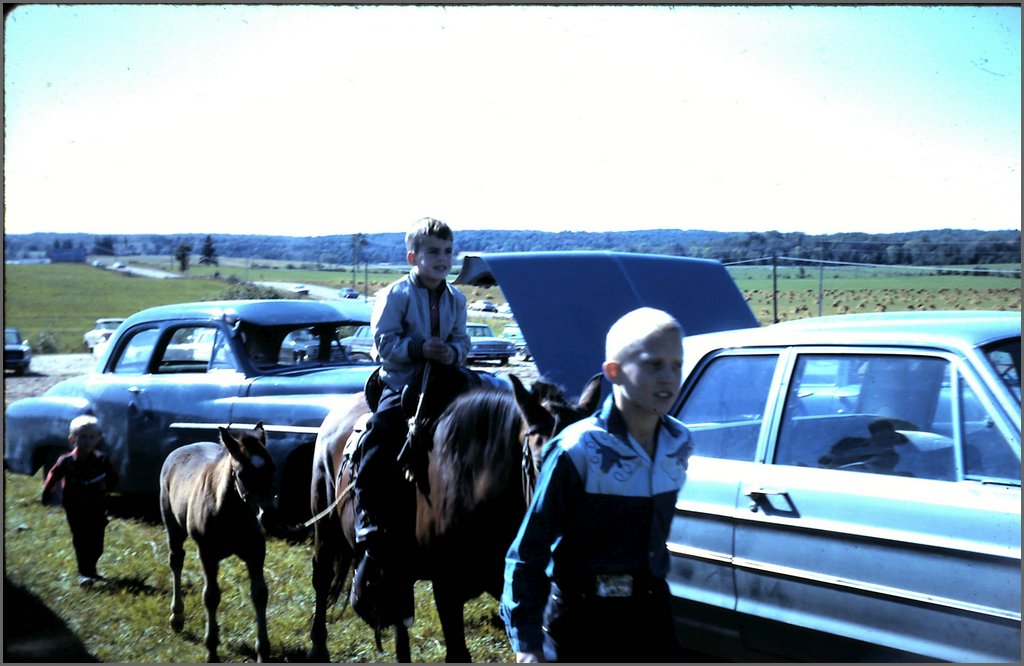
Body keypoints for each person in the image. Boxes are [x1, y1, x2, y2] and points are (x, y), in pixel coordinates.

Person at [500, 307, 690, 663]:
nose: (668, 377)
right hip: (581, 619)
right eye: (653, 365)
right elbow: (529, 549)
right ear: (614, 372)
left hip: (650, 612)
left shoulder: (679, 442)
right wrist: (527, 642)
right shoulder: (578, 448)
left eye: (676, 365)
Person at [351, 216, 471, 625]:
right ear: (413, 256)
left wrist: (451, 353)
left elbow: (462, 341)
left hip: (445, 379)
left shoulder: (456, 299)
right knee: (381, 435)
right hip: (402, 382)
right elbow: (383, 342)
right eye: (433, 252)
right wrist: (420, 348)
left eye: (447, 252)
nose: (442, 259)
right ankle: (367, 513)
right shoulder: (396, 294)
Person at [41, 414, 119, 587]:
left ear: (98, 439)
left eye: (92, 437)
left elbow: (114, 476)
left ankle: (92, 567)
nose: (87, 441)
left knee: (97, 540)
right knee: (81, 537)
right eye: (82, 437)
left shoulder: (102, 459)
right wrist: (47, 493)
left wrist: (106, 487)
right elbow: (53, 476)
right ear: (72, 439)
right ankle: (84, 572)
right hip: (75, 505)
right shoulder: (66, 461)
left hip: (97, 504)